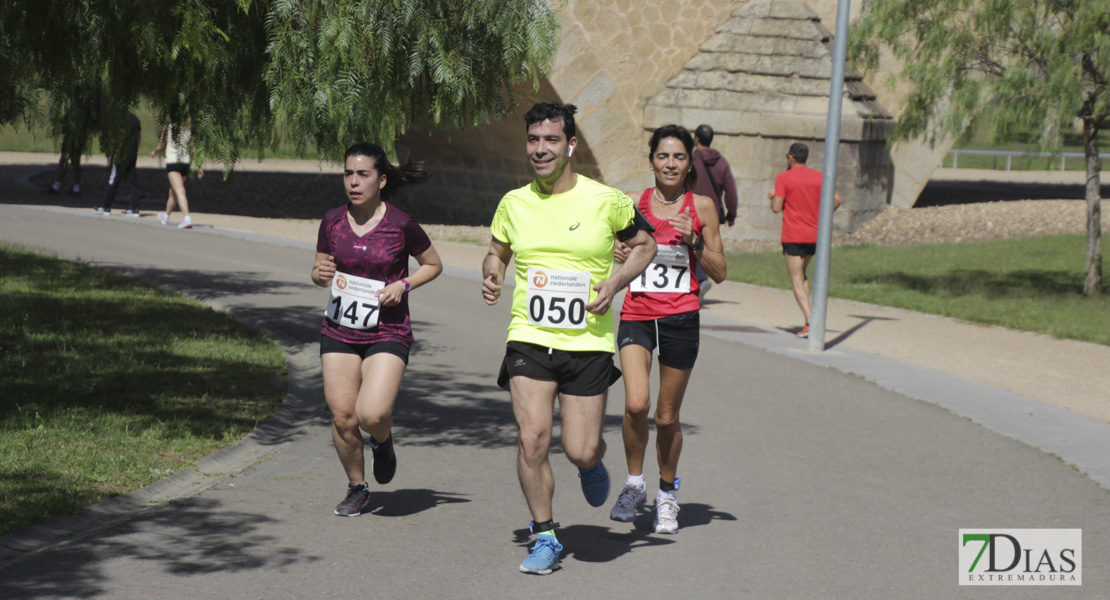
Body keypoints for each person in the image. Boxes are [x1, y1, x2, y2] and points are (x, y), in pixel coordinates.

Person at [481, 102, 657, 575]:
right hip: (529, 337)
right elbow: (497, 251)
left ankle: (591, 463)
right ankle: (544, 535)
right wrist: (493, 273)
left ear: (570, 144)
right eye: (534, 140)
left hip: (587, 342)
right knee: (532, 438)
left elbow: (647, 245)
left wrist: (617, 281)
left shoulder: (607, 200)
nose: (541, 149)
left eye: (551, 140)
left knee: (579, 448)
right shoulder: (513, 203)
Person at [311, 142, 443, 518]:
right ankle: (357, 487)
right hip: (339, 327)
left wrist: (405, 284)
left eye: (363, 175)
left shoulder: (401, 224)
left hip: (388, 329)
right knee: (342, 415)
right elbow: (320, 269)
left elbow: (433, 264)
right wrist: (319, 275)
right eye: (348, 174)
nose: (354, 182)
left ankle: (382, 441)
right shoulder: (332, 220)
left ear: (381, 180)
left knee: (371, 414)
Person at [609, 124, 726, 534]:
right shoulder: (631, 204)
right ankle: (634, 483)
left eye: (678, 157)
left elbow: (721, 271)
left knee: (666, 414)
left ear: (689, 162)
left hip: (681, 317)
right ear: (651, 161)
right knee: (636, 404)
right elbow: (616, 253)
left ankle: (667, 494)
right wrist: (619, 251)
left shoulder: (704, 207)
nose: (670, 164)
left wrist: (695, 241)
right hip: (637, 313)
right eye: (663, 156)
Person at [768, 142, 842, 337]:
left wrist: (772, 196)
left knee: (796, 278)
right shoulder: (819, 177)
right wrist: (822, 216)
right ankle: (809, 319)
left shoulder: (784, 178)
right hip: (814, 235)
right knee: (802, 274)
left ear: (791, 158)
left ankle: (811, 320)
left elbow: (776, 207)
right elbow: (837, 199)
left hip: (793, 234)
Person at [690, 124, 738, 300]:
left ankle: (700, 279)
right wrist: (731, 215)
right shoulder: (721, 161)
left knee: (692, 245)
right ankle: (701, 279)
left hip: (691, 208)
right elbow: (730, 190)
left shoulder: (691, 159)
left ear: (696, 139)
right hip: (713, 211)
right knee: (709, 247)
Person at [151, 123, 200, 229]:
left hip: (173, 161)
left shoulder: (169, 125)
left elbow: (161, 144)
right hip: (185, 163)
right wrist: (199, 166)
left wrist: (154, 152)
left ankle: (187, 218)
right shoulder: (189, 126)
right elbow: (194, 147)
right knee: (173, 191)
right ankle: (166, 216)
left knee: (179, 191)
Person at [95, 112, 143, 216]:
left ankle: (105, 206)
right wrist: (135, 150)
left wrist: (117, 152)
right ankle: (134, 208)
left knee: (114, 178)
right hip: (132, 154)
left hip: (122, 154)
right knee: (132, 180)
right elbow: (139, 136)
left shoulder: (120, 118)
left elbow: (121, 135)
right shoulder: (135, 118)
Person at [44, 98, 91, 197]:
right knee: (72, 161)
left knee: (67, 160)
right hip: (73, 136)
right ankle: (73, 188)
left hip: (73, 136)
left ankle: (59, 187)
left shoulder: (80, 103)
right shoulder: (76, 103)